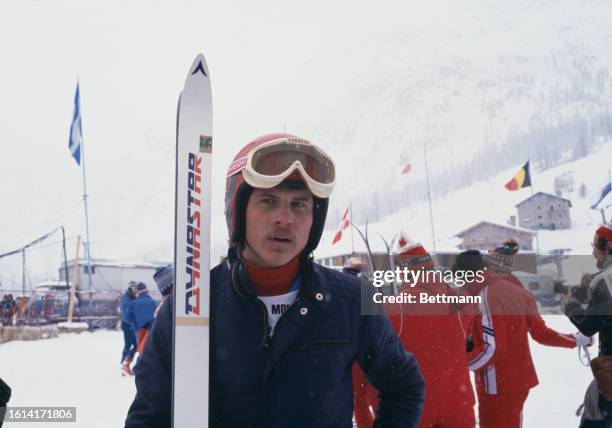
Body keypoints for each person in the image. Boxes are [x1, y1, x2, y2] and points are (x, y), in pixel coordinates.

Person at [125, 133, 425, 428]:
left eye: (299, 204)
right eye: (268, 201)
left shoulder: (356, 297)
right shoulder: (190, 308)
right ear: (238, 211)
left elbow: (404, 386)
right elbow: (149, 417)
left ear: (314, 219)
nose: (285, 218)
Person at [354, 238, 476, 428]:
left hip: (412, 411)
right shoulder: (463, 303)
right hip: (458, 405)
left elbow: (363, 371)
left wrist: (367, 415)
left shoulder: (391, 310)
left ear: (404, 271)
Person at [468, 241, 588, 428]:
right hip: (520, 380)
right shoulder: (521, 293)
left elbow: (492, 348)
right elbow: (541, 333)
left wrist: (461, 361)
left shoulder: (485, 293)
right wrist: (575, 340)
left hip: (496, 383)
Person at [564, 224, 612, 427]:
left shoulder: (606, 281)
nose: (593, 252)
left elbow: (588, 325)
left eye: (595, 246)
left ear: (608, 246)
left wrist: (570, 304)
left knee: (595, 419)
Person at [124, 282, 156, 373]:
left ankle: (128, 364)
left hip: (138, 330)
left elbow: (127, 318)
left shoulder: (133, 303)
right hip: (150, 329)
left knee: (138, 348)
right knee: (146, 349)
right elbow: (155, 314)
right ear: (146, 291)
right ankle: (137, 368)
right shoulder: (151, 301)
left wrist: (135, 323)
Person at [119, 284, 138, 376]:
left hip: (131, 325)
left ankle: (124, 364)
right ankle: (124, 364)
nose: (136, 292)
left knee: (134, 345)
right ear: (131, 290)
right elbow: (126, 314)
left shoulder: (131, 299)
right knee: (130, 345)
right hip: (127, 325)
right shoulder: (127, 300)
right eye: (135, 290)